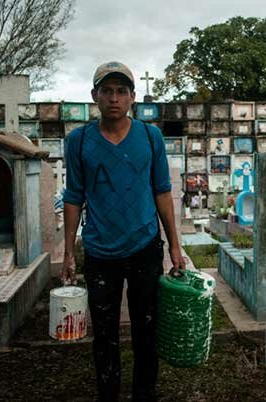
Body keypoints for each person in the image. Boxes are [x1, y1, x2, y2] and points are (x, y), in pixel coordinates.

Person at [61, 61, 185, 402]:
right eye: (107, 91)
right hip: (100, 252)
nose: (114, 98)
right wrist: (69, 252)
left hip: (144, 246)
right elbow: (73, 196)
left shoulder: (149, 136)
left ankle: (145, 392)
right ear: (94, 97)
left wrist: (175, 245)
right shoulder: (79, 141)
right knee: (104, 333)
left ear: (132, 97)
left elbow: (162, 190)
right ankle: (108, 392)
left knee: (147, 328)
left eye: (121, 91)